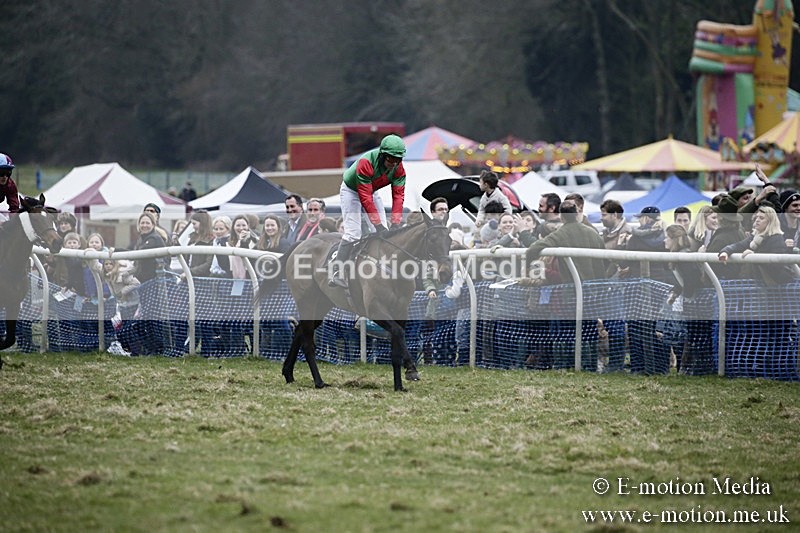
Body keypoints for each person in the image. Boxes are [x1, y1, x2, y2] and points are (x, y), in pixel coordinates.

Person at [329, 134, 407, 288]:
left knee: (385, 232)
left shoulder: (399, 169)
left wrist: (396, 223)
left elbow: (398, 196)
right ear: (383, 155)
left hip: (372, 191)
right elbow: (365, 199)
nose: (394, 163)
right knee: (353, 233)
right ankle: (337, 270)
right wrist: (377, 225)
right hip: (352, 191)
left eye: (398, 159)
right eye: (391, 159)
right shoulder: (366, 163)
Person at [718, 205, 800, 285]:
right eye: (757, 217)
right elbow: (739, 245)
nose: (757, 220)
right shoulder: (755, 236)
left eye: (761, 218)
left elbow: (777, 266)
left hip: (777, 286)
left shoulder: (776, 238)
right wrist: (725, 252)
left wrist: (755, 256)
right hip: (761, 283)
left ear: (770, 222)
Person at [133, 212, 167, 283]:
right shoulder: (141, 239)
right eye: (142, 223)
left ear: (153, 225)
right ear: (139, 225)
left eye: (147, 223)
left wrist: (115, 250)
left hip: (156, 283)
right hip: (143, 281)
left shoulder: (154, 238)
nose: (144, 225)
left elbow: (136, 254)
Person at [228, 214, 258, 279]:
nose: (241, 228)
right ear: (233, 227)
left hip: (250, 276)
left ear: (248, 226)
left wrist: (241, 240)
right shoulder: (226, 243)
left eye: (244, 225)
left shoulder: (254, 241)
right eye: (238, 225)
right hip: (231, 276)